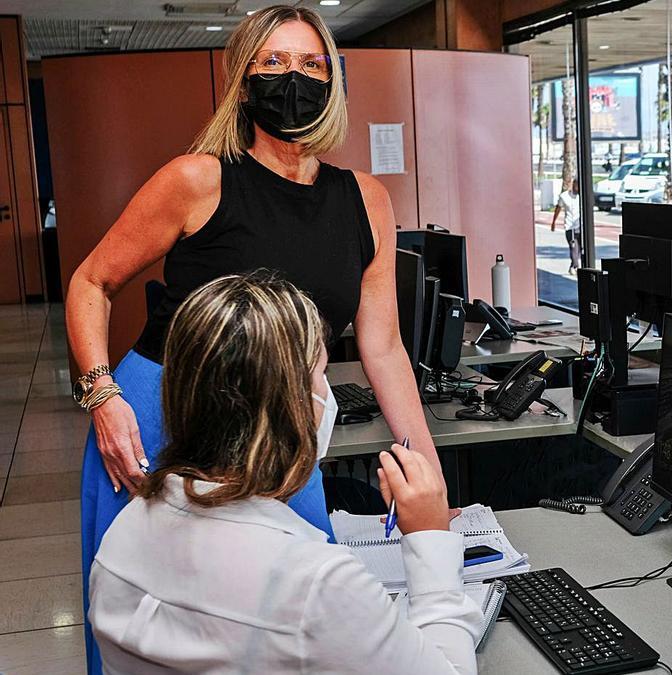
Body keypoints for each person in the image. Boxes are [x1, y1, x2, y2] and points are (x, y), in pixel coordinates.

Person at [66, 6, 438, 670]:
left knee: (293, 624)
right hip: (159, 417)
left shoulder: (367, 201)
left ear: (333, 81)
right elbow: (91, 281)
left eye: (311, 64)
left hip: (284, 427)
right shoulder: (197, 180)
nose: (292, 78)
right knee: (151, 630)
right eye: (272, 63)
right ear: (242, 80)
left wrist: (427, 476)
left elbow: (384, 348)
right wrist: (103, 397)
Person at [89, 273, 481, 674]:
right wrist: (430, 539)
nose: (326, 394)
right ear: (288, 405)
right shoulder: (315, 583)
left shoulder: (121, 536)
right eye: (320, 375)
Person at [550, 178, 582, 274]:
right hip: (569, 227)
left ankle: (573, 265)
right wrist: (553, 222)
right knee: (573, 247)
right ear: (573, 185)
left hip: (580, 226)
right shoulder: (564, 196)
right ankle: (575, 266)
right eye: (576, 185)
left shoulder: (582, 196)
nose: (578, 188)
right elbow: (558, 208)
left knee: (580, 248)